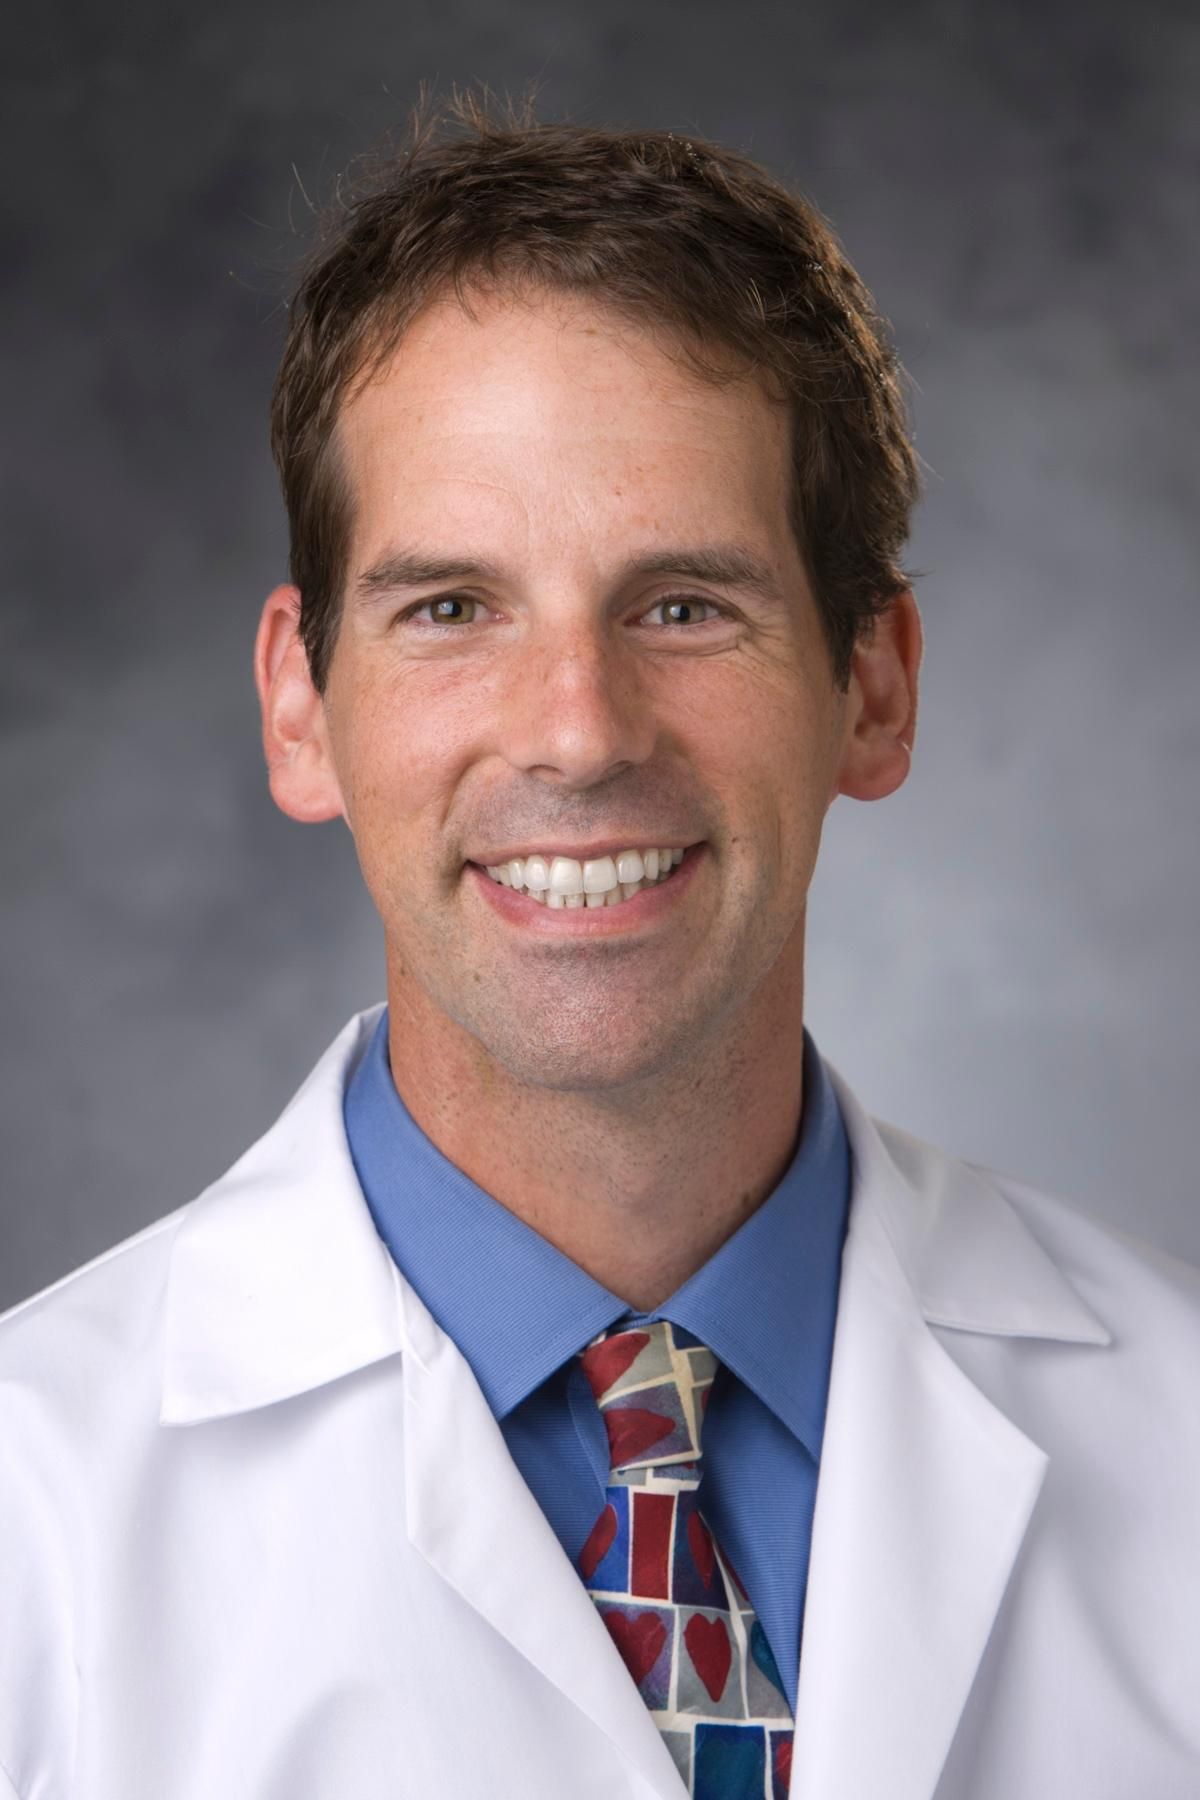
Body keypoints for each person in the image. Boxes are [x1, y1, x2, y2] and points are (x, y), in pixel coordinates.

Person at [2, 96, 1197, 1800]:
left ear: (873, 686)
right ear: (300, 707)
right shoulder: (33, 1525)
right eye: (451, 609)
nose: (576, 730)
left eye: (685, 606)